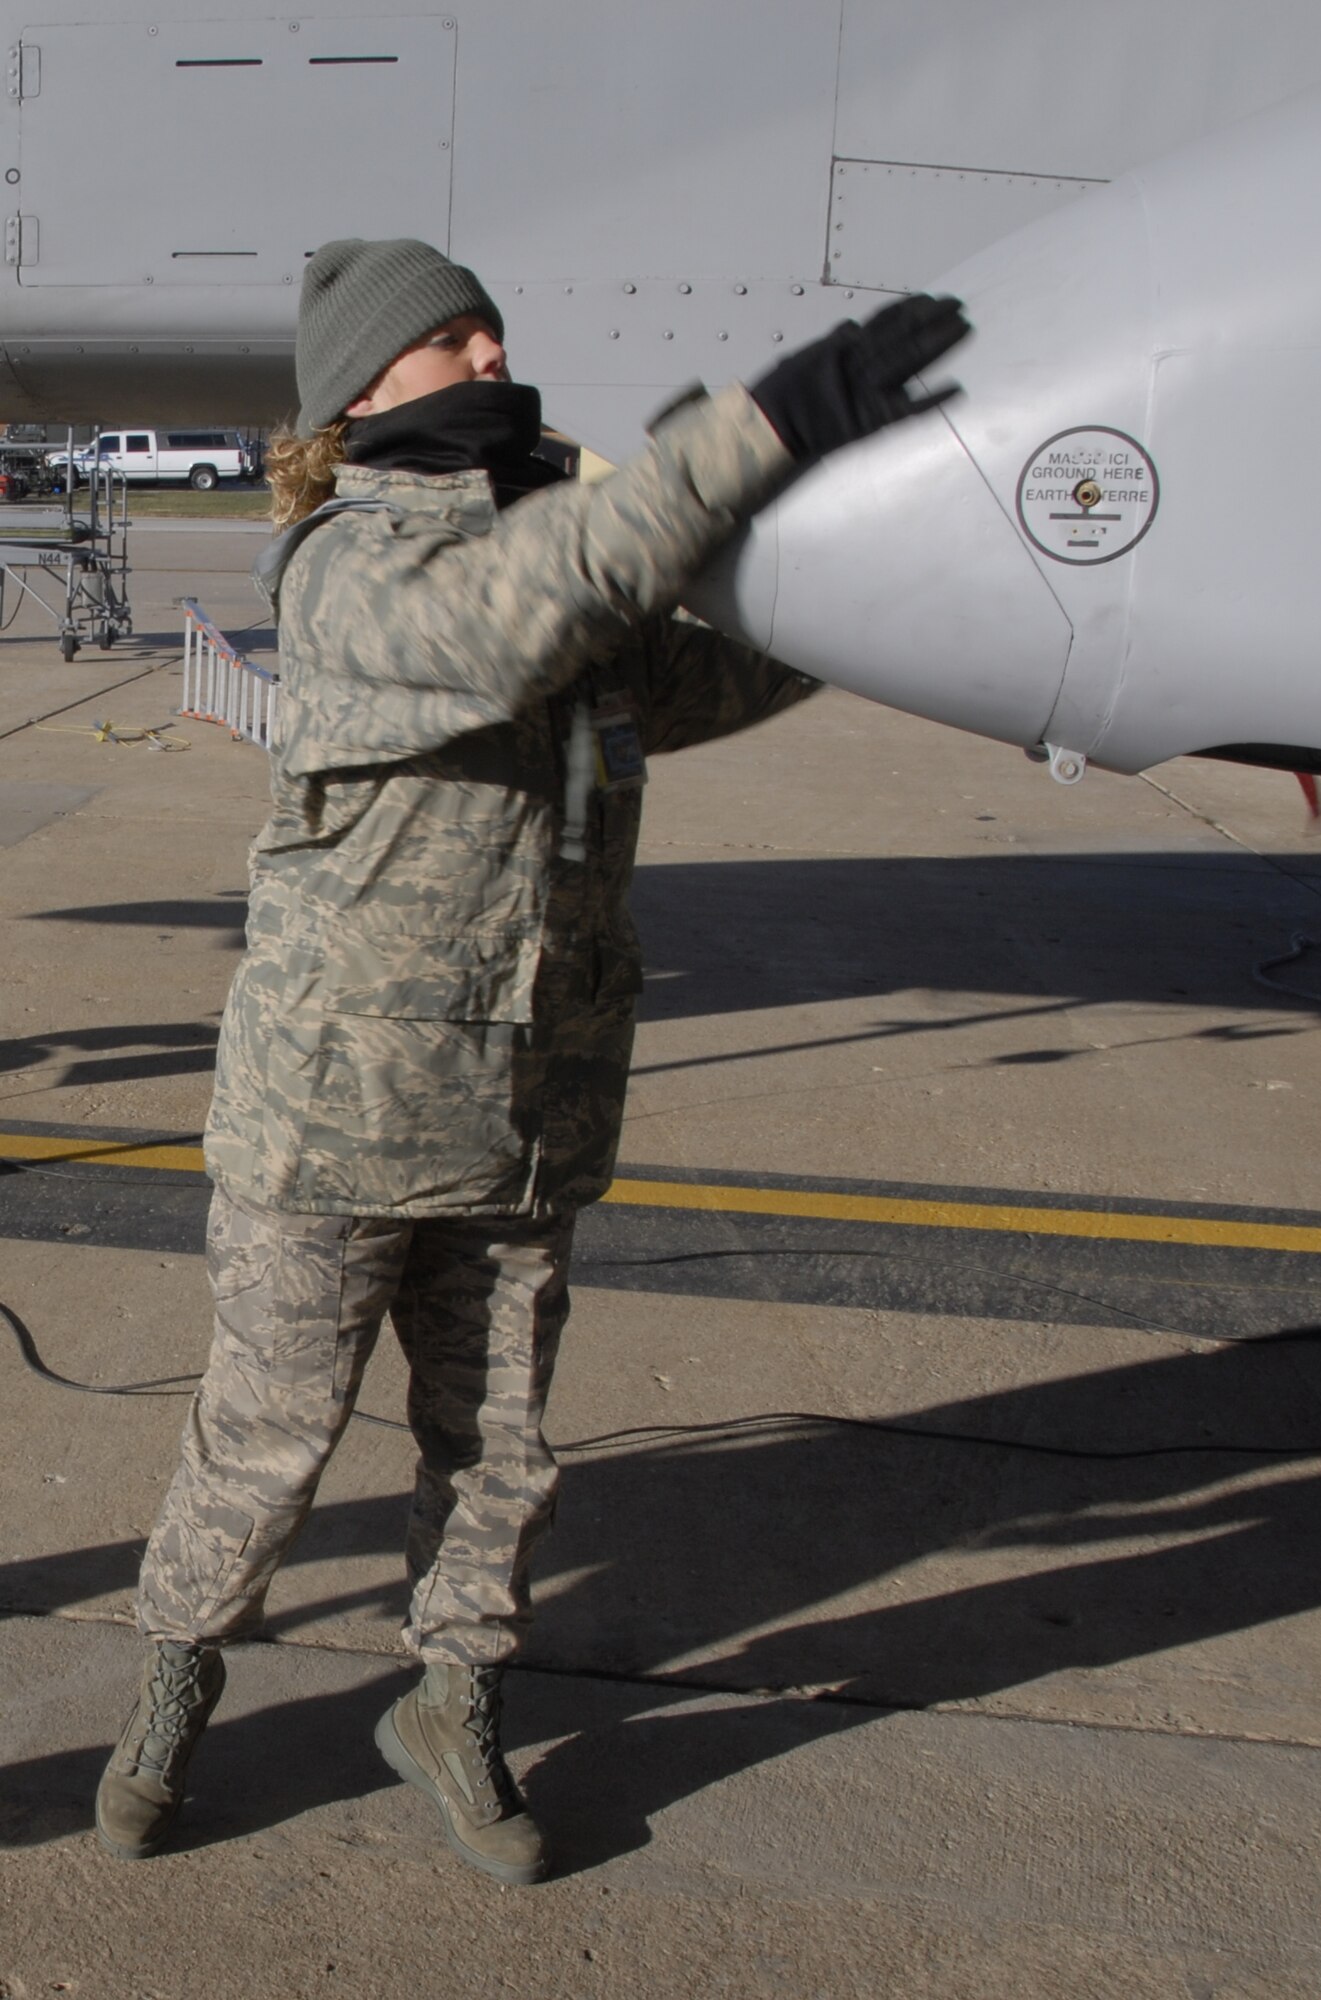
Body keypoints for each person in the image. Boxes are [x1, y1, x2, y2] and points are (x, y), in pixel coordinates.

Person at [94, 237, 968, 1883]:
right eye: (445, 337)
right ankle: (177, 1683)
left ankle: (454, 1700)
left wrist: (886, 526)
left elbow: (730, 666)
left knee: (497, 1451)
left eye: (489, 321)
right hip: (330, 1121)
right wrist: (757, 425)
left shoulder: (564, 551)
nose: (488, 344)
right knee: (267, 1441)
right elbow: (511, 624)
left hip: (529, 1113)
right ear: (359, 391)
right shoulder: (343, 565)